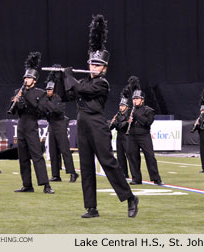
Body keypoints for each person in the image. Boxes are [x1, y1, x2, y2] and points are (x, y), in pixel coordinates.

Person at [63, 15, 138, 218]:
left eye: (97, 65)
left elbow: (81, 89)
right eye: (91, 64)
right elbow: (69, 95)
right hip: (82, 123)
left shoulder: (101, 83)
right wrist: (61, 79)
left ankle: (130, 197)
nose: (93, 68)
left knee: (107, 162)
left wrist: (69, 77)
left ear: (104, 68)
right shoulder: (85, 81)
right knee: (86, 166)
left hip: (96, 123)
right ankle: (91, 207)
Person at [9, 52, 54, 194]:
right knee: (22, 158)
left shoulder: (40, 93)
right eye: (25, 77)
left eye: (29, 78)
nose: (26, 80)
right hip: (21, 127)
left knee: (37, 156)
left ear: (34, 80)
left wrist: (25, 100)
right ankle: (27, 185)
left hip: (32, 127)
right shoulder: (19, 91)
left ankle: (46, 184)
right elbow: (14, 111)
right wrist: (16, 103)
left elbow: (40, 110)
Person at [40, 70, 78, 183]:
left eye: (50, 89)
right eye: (47, 89)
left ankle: (72, 173)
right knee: (53, 151)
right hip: (51, 125)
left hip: (60, 125)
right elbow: (43, 112)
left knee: (65, 150)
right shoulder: (47, 99)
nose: (48, 91)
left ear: (54, 90)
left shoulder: (59, 98)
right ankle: (56, 175)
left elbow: (57, 110)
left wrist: (46, 104)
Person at [127, 76, 163, 185]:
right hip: (132, 135)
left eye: (137, 99)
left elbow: (147, 123)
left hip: (144, 136)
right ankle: (136, 178)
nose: (135, 101)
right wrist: (128, 122)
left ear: (142, 100)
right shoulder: (131, 111)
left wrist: (136, 115)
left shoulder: (149, 111)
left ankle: (156, 178)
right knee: (133, 157)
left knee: (150, 156)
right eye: (133, 99)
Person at [109, 86, 131, 178]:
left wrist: (116, 122)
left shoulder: (129, 114)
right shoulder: (118, 115)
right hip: (120, 136)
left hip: (127, 137)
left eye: (122, 106)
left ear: (127, 106)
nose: (121, 107)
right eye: (120, 106)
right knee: (120, 155)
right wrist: (114, 121)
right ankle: (124, 173)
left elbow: (123, 125)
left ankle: (135, 174)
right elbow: (110, 127)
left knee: (130, 156)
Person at [191, 89, 204, 174]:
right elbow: (195, 129)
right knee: (203, 153)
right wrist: (196, 124)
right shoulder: (199, 118)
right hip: (202, 138)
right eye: (201, 111)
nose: (202, 112)